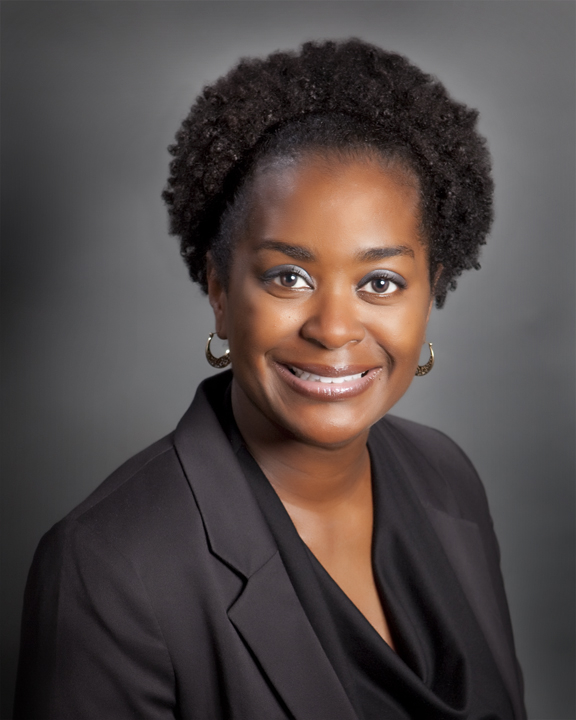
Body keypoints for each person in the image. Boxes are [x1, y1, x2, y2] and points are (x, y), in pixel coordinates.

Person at [14, 39, 526, 719]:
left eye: (380, 282)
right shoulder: (108, 566)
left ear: (430, 294)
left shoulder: (447, 476)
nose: (334, 330)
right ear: (220, 291)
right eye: (290, 277)